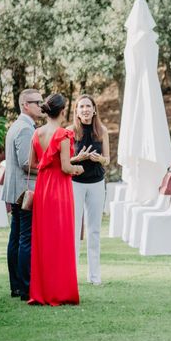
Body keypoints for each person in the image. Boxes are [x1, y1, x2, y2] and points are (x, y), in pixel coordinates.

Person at [28, 93, 84, 306]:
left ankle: (42, 291)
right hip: (59, 190)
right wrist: (77, 167)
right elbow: (66, 167)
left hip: (43, 189)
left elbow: (32, 163)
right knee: (60, 240)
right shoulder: (63, 134)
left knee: (44, 240)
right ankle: (60, 292)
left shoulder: (37, 133)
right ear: (63, 111)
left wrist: (48, 164)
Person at [2, 89, 43, 301]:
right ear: (25, 105)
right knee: (25, 238)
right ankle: (26, 287)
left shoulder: (17, 126)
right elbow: (27, 164)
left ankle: (16, 286)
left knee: (16, 238)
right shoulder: (26, 129)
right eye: (37, 102)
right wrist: (50, 166)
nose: (41, 105)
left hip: (15, 189)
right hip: (24, 191)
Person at [67, 95, 110, 285]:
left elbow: (107, 159)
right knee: (74, 230)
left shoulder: (102, 131)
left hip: (96, 184)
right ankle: (71, 275)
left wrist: (99, 159)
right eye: (81, 106)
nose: (85, 109)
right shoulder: (69, 132)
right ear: (76, 111)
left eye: (88, 106)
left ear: (94, 109)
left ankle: (94, 276)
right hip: (75, 183)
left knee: (94, 231)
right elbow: (64, 161)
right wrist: (79, 157)